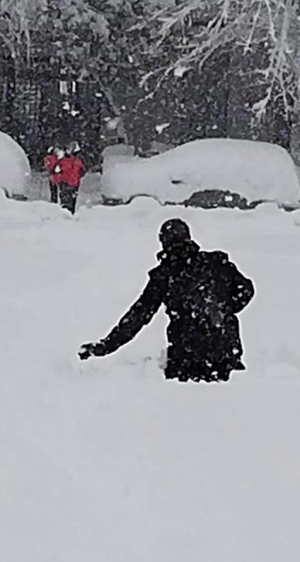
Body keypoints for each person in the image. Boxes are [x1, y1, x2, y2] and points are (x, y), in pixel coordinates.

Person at [79, 218, 255, 382]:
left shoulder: (164, 276)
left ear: (163, 243)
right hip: (226, 356)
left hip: (187, 362)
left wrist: (105, 346)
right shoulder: (216, 263)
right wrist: (223, 310)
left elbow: (138, 315)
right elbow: (246, 290)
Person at [56, 142, 84, 214]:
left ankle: (69, 214)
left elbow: (81, 171)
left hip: (71, 183)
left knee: (70, 201)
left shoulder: (75, 161)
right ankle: (67, 214)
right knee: (67, 201)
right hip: (68, 182)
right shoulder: (64, 161)